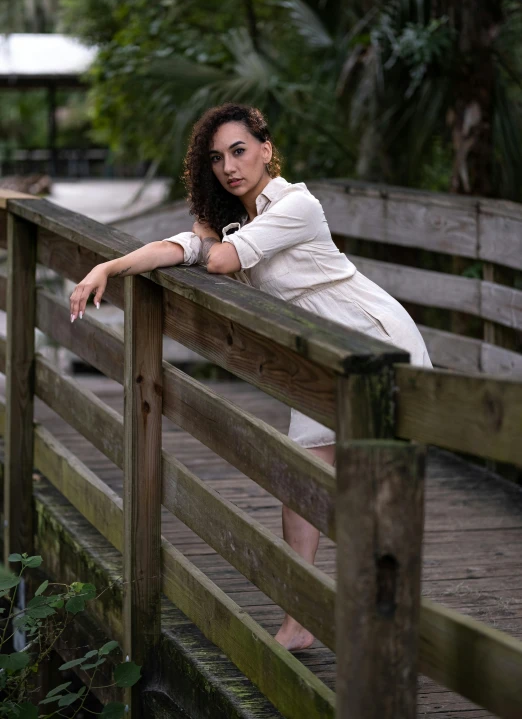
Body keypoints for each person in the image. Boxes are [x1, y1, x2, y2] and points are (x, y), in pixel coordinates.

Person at [70, 102, 432, 652]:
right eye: (216, 158)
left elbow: (217, 260)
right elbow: (182, 248)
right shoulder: (238, 219)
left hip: (376, 342)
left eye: (239, 151)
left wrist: (201, 235)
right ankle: (301, 617)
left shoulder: (296, 204)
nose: (229, 166)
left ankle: (392, 622)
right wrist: (109, 267)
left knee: (377, 482)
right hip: (321, 358)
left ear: (266, 149)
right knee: (299, 481)